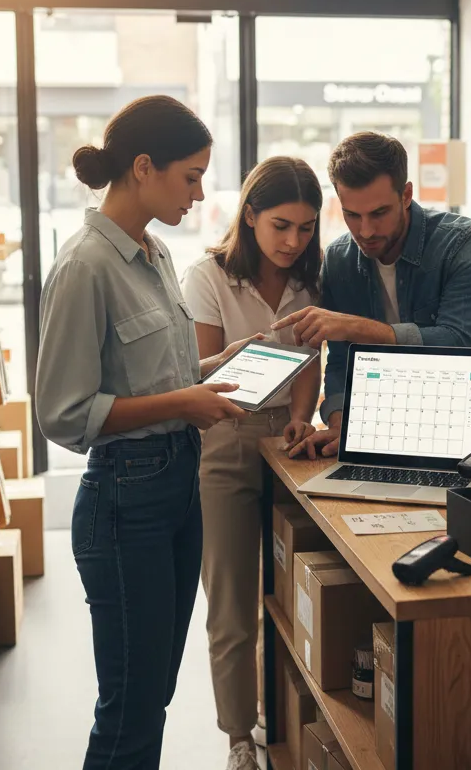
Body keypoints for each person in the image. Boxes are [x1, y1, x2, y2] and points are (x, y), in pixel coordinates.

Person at [36, 96, 253, 770]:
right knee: (130, 707)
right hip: (125, 502)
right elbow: (64, 413)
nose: (200, 191)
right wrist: (182, 403)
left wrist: (235, 359)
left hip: (177, 487)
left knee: (153, 691)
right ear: (142, 168)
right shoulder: (84, 268)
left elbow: (168, 372)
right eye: (190, 176)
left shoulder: (155, 253)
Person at [181, 158, 323, 770]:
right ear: (250, 216)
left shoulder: (312, 283)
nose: (294, 242)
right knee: (233, 603)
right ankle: (239, 736)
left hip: (290, 450)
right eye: (281, 226)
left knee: (292, 599)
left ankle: (285, 715)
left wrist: (302, 414)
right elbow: (200, 377)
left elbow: (310, 365)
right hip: (224, 446)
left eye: (308, 228)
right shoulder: (208, 276)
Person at [273, 131, 471, 459]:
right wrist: (339, 422)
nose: (365, 231)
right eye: (352, 215)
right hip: (379, 436)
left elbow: (460, 343)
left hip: (470, 440)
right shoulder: (339, 259)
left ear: (406, 195)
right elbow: (339, 362)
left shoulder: (465, 244)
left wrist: (357, 329)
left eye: (379, 213)